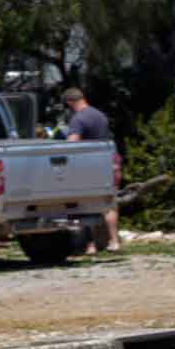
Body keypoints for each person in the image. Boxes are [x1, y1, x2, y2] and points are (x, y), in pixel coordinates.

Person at [62, 87, 121, 253]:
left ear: (69, 102)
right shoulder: (100, 115)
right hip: (105, 162)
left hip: (85, 166)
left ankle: (91, 245)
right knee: (108, 204)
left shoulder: (78, 119)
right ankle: (114, 241)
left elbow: (72, 143)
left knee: (85, 206)